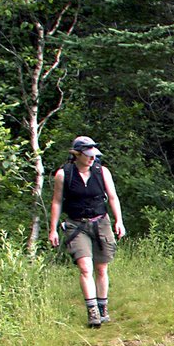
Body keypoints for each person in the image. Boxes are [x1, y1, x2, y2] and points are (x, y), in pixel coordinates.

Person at [48, 136, 126, 328]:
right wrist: (53, 229)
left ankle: (102, 307)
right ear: (77, 154)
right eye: (88, 155)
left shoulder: (102, 172)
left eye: (94, 155)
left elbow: (113, 197)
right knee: (85, 267)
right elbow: (57, 201)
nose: (92, 159)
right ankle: (92, 312)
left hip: (101, 222)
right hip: (76, 225)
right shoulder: (64, 174)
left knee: (101, 268)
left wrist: (119, 221)